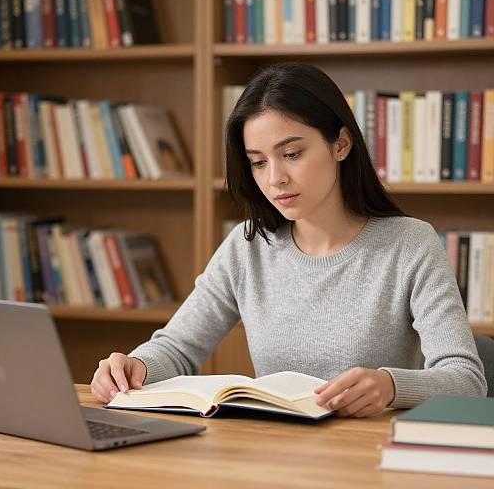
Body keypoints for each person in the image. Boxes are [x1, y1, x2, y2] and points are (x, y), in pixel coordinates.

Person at [91, 62, 487, 417]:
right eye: (258, 162)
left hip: (372, 458)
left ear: (341, 144)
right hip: (275, 457)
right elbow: (177, 347)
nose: (274, 178)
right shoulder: (247, 247)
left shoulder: (409, 245)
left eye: (292, 154)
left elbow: (466, 379)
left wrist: (391, 386)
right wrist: (134, 367)